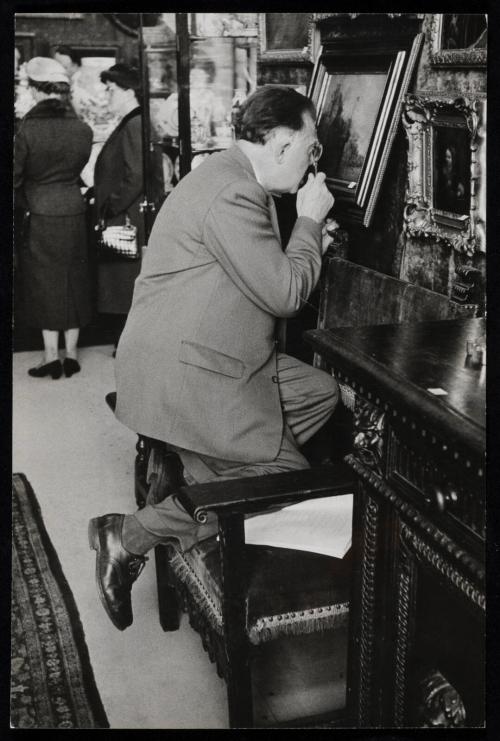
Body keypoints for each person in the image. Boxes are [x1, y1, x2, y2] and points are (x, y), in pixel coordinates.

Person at [88, 85, 338, 630]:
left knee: (321, 393)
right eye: (310, 148)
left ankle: (206, 467)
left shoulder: (229, 176)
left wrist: (304, 236)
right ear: (279, 141)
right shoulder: (236, 194)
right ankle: (128, 534)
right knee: (283, 477)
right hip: (184, 372)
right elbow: (286, 295)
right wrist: (311, 223)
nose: (311, 161)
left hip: (193, 353)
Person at [14, 57, 93, 378]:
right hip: (74, 210)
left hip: (40, 214)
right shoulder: (82, 129)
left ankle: (50, 357)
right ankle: (71, 354)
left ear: (36, 90)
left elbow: (14, 180)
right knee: (74, 278)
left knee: (44, 283)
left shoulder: (26, 131)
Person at [93, 63, 164, 347]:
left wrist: (111, 205)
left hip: (127, 217)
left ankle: (132, 347)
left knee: (126, 286)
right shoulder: (135, 121)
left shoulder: (135, 123)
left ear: (128, 92)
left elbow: (136, 175)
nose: (107, 96)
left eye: (111, 90)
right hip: (128, 215)